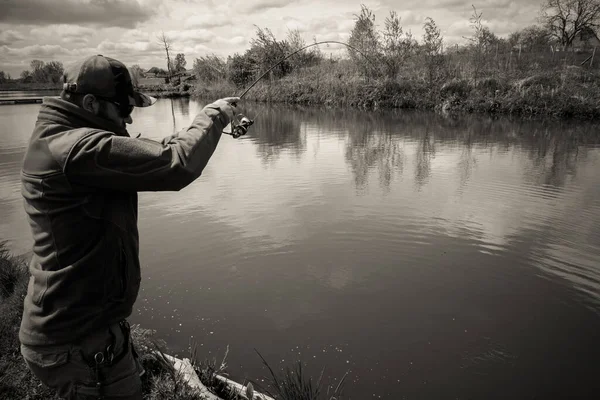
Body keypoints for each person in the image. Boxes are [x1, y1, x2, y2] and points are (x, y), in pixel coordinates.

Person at [19, 54, 243, 399]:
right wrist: (213, 116)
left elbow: (139, 154)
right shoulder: (77, 149)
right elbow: (174, 165)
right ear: (91, 103)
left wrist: (185, 135)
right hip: (77, 342)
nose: (127, 119)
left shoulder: (62, 139)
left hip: (76, 331)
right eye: (123, 110)